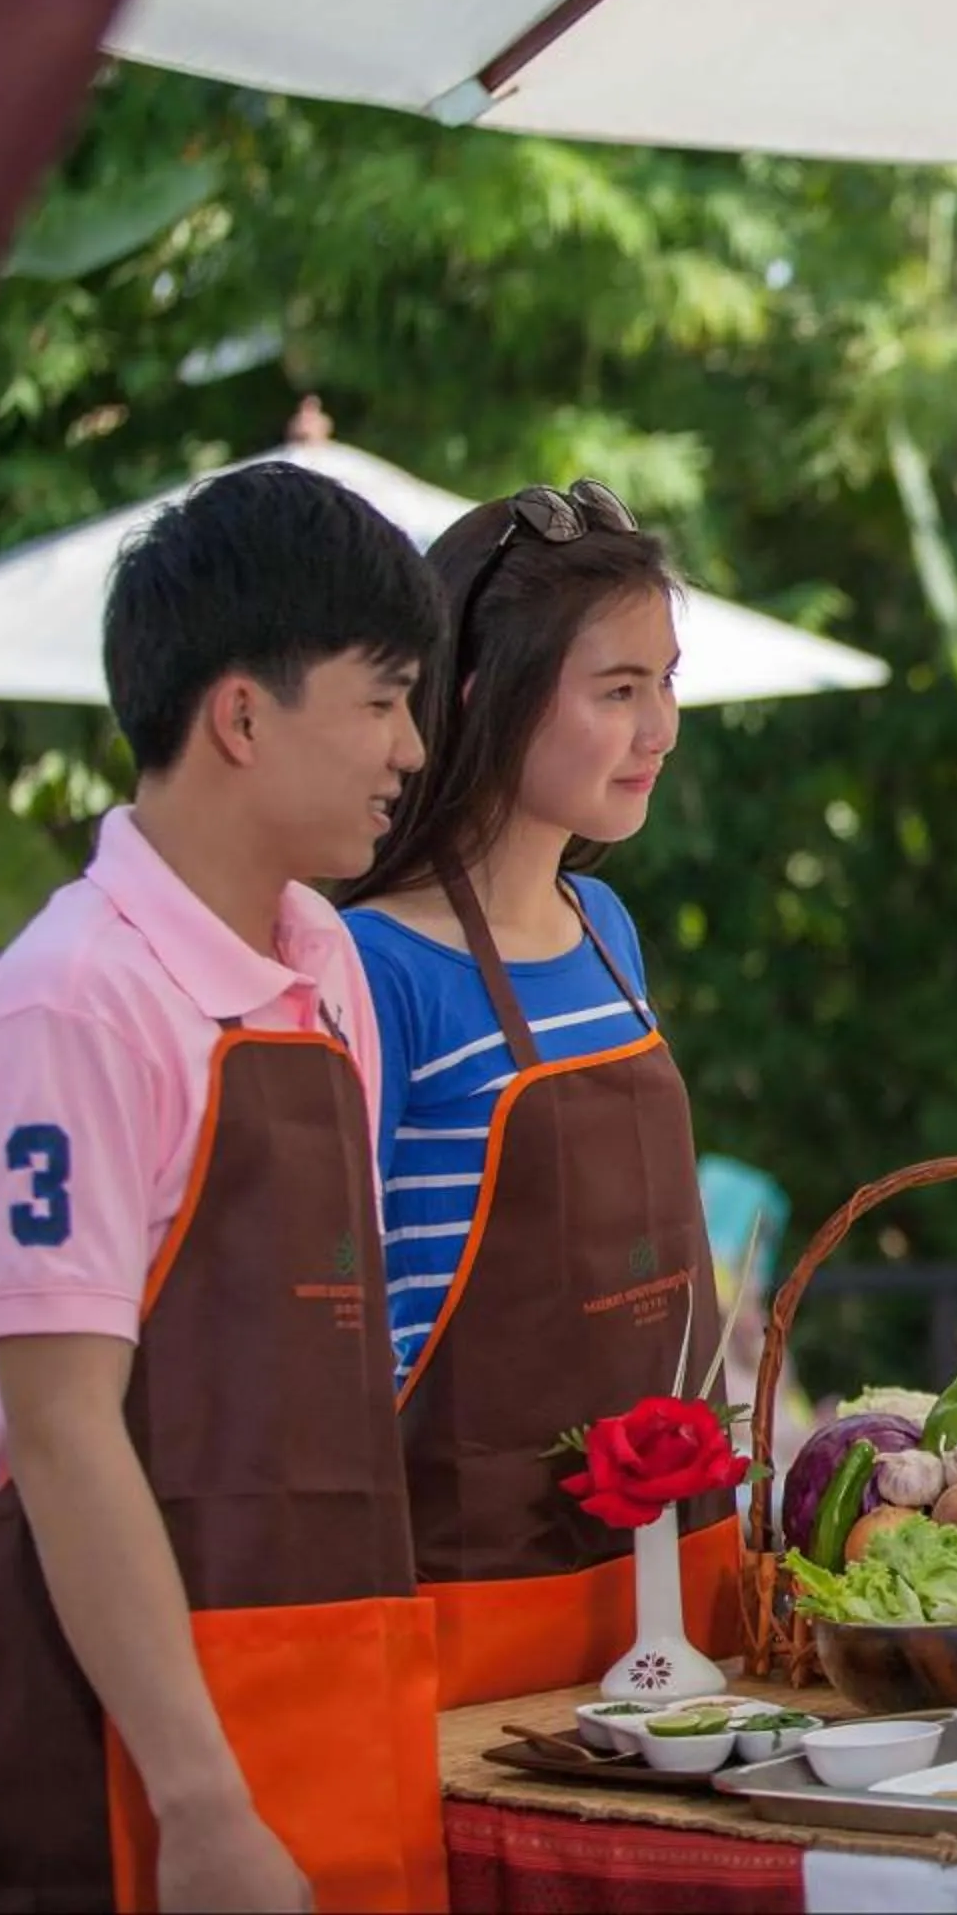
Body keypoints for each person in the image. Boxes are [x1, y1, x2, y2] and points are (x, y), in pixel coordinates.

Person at [0, 462, 447, 1911]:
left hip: (336, 1703)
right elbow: (61, 1434)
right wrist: (201, 1801)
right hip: (140, 1768)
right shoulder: (68, 1008)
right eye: (383, 699)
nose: (412, 749)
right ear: (240, 715)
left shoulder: (326, 963)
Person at [338, 479, 740, 1708]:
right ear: (486, 696)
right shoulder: (371, 965)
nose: (660, 727)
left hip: (673, 1587)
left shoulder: (606, 926)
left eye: (667, 682)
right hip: (470, 1612)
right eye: (618, 690)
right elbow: (339, 1322)